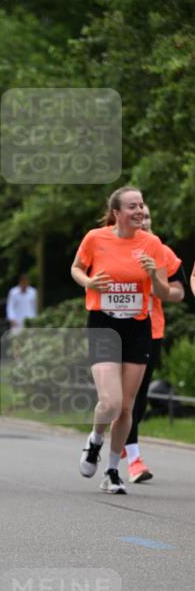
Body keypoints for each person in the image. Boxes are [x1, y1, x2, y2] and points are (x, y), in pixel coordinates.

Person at [72, 186, 169, 494]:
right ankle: (95, 440)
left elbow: (165, 293)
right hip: (103, 324)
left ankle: (112, 470)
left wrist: (154, 276)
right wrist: (89, 281)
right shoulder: (95, 238)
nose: (140, 211)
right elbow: (75, 268)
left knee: (126, 407)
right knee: (109, 402)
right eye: (132, 207)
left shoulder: (152, 244)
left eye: (141, 205)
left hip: (138, 327)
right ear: (116, 213)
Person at [123, 205, 185, 482]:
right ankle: (112, 438)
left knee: (138, 398)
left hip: (150, 331)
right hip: (113, 330)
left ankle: (133, 457)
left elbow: (178, 293)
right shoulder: (110, 245)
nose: (143, 220)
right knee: (115, 399)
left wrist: (156, 282)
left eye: (148, 216)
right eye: (139, 214)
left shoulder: (162, 252)